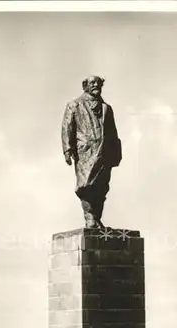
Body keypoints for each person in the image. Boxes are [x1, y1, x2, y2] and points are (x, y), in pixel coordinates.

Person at [61, 75, 122, 229]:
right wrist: (67, 149)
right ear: (85, 86)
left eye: (98, 83)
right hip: (85, 152)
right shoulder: (75, 105)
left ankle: (96, 219)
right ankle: (89, 218)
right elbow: (67, 127)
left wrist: (116, 152)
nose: (96, 85)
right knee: (86, 185)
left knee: (101, 186)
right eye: (92, 83)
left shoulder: (106, 108)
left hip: (104, 153)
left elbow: (112, 132)